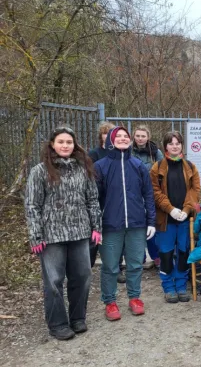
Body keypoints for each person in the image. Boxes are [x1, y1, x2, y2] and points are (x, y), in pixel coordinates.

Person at [25, 125, 102, 340]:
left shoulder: (83, 168)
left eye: (69, 142)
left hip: (80, 232)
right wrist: (36, 235)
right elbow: (32, 205)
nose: (65, 145)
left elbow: (92, 199)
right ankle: (57, 324)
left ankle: (78, 318)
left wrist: (96, 227)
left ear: (74, 145)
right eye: (61, 142)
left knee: (82, 277)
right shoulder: (40, 171)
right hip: (52, 235)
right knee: (53, 282)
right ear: (52, 144)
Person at [95, 126, 156, 321]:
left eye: (125, 136)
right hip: (110, 225)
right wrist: (96, 226)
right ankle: (110, 301)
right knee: (110, 266)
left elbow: (148, 194)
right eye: (118, 136)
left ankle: (135, 298)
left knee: (136, 264)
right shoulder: (100, 166)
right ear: (110, 140)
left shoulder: (138, 165)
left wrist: (151, 221)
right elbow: (93, 199)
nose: (122, 139)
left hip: (136, 224)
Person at [150, 131, 201, 303]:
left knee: (183, 252)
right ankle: (168, 287)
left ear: (182, 145)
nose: (174, 146)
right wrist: (170, 209)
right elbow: (155, 193)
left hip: (185, 219)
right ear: (165, 146)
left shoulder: (191, 167)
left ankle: (181, 286)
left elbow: (195, 191)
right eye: (171, 143)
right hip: (166, 220)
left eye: (177, 143)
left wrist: (186, 210)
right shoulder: (157, 168)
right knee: (165, 253)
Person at [132, 125, 164, 269]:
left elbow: (162, 170)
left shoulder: (155, 152)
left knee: (152, 224)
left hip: (150, 192)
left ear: (148, 137)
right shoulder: (128, 151)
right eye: (138, 136)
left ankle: (156, 256)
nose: (140, 139)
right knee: (137, 225)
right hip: (133, 192)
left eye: (143, 136)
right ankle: (140, 256)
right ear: (134, 136)